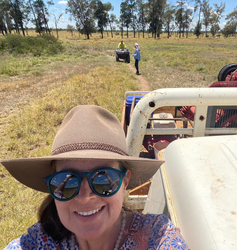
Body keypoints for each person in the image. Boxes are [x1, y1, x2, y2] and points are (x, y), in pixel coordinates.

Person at [1, 105, 190, 250]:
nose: (85, 197)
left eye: (103, 179)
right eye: (67, 181)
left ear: (125, 182)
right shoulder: (39, 241)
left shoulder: (156, 237)